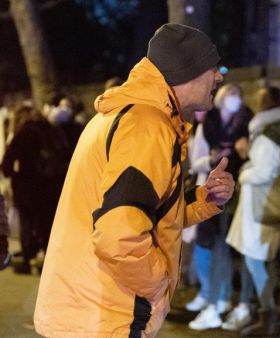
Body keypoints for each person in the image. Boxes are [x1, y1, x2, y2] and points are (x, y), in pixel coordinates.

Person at [33, 23, 235, 337]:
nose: (219, 76)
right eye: (212, 67)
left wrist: (205, 200)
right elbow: (119, 236)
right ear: (187, 71)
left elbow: (146, 215)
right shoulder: (146, 126)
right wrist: (158, 286)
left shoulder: (127, 116)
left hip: (87, 309)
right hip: (107, 315)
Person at [226, 86, 280, 336]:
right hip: (264, 202)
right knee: (260, 259)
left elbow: (263, 171)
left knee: (255, 259)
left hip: (260, 204)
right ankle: (267, 313)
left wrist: (242, 173)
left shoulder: (268, 135)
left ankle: (268, 315)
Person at [187, 83, 254, 330]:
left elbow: (249, 156)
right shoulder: (209, 125)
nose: (234, 100)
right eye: (231, 96)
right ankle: (212, 298)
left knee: (226, 247)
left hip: (236, 192)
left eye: (238, 96)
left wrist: (240, 152)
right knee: (210, 246)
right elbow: (196, 162)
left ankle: (220, 300)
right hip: (211, 190)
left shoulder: (247, 122)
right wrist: (214, 159)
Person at [1, 105, 69, 274]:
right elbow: (65, 155)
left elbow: (6, 164)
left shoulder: (23, 133)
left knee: (27, 223)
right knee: (47, 223)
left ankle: (27, 260)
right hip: (50, 187)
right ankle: (49, 258)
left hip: (26, 187)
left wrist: (14, 173)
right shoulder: (53, 131)